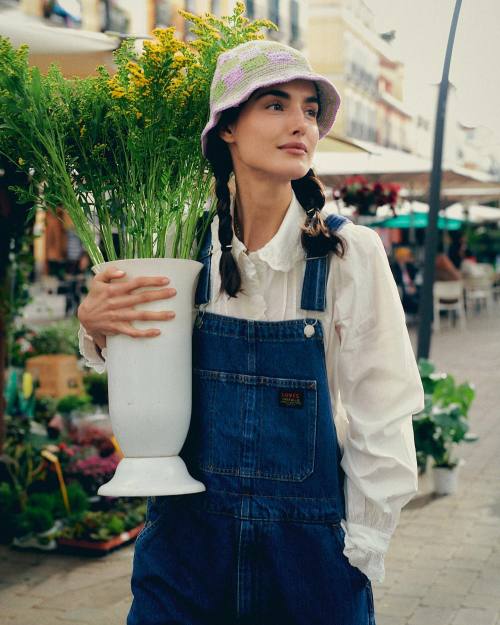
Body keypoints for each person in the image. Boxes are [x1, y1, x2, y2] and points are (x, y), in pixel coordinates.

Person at [77, 40, 424, 625]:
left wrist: (359, 554)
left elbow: (383, 413)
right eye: (274, 105)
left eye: (310, 110)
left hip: (310, 560)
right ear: (227, 129)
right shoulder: (180, 249)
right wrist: (94, 327)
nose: (300, 124)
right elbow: (136, 364)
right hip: (186, 550)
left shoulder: (347, 254)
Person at [390, 246, 420, 315]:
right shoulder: (394, 267)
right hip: (403, 289)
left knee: (421, 295)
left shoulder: (409, 266)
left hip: (411, 288)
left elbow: (414, 276)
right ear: (401, 256)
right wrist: (407, 288)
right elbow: (397, 280)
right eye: (407, 256)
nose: (409, 257)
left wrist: (412, 286)